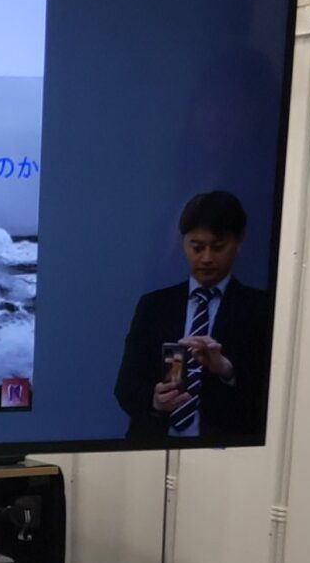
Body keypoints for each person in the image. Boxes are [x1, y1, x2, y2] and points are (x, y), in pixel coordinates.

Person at [114, 188, 273, 446]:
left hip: (228, 450)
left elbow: (271, 395)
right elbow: (125, 386)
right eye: (196, 247)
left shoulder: (261, 308)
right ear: (183, 243)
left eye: (218, 247)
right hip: (154, 445)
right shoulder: (154, 305)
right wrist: (154, 400)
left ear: (239, 241)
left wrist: (227, 371)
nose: (206, 258)